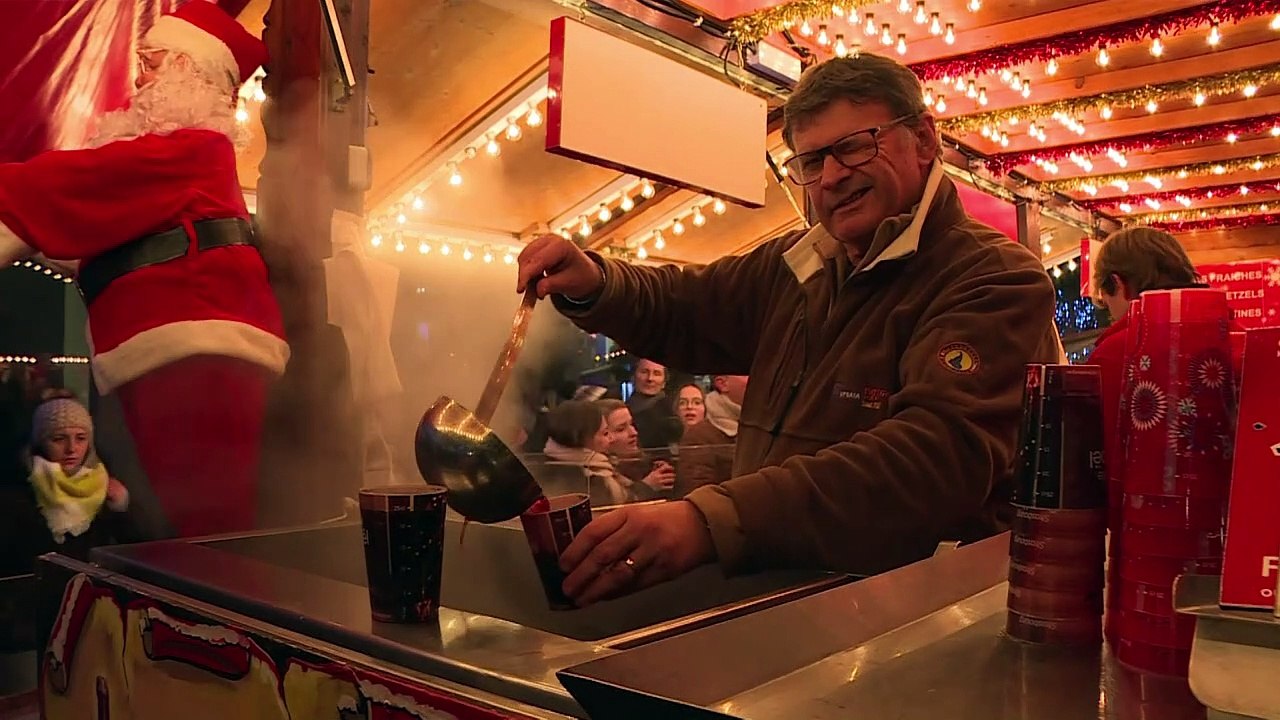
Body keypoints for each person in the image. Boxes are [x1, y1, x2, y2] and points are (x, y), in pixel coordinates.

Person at [517, 52, 1060, 605]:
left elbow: (932, 460)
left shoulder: (992, 276)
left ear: (923, 139)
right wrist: (596, 283)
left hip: (912, 619)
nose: (832, 176)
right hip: (781, 606)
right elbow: (683, 305)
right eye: (812, 160)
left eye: (854, 146)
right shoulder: (797, 264)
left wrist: (711, 521)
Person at [0, 2, 287, 537]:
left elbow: (91, 182)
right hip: (170, 349)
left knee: (202, 521)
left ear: (188, 70)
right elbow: (94, 223)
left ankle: (208, 588)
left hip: (197, 347)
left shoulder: (196, 150)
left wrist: (14, 206)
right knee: (174, 518)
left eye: (150, 64)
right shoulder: (183, 163)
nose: (138, 79)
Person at [1085, 227, 1204, 475]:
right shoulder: (1235, 334)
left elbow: (1097, 457)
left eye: (1105, 297)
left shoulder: (1114, 353)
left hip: (1140, 496)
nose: (1109, 311)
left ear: (1117, 283)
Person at [0, 390, 130, 577]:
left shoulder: (102, 486)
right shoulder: (16, 496)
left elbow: (128, 555)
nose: (72, 448)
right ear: (40, 442)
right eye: (59, 439)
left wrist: (120, 508)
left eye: (81, 438)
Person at [678, 375, 747, 494]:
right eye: (745, 373)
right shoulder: (699, 436)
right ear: (722, 383)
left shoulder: (758, 426)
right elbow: (697, 496)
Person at [596, 399, 676, 496]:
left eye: (631, 424)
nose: (634, 433)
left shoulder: (644, 464)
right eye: (621, 429)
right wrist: (647, 486)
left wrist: (654, 470)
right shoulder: (600, 476)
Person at [626, 359, 684, 447]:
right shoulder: (622, 409)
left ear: (664, 382)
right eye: (644, 372)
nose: (650, 378)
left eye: (657, 374)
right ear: (633, 377)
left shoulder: (673, 410)